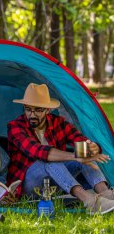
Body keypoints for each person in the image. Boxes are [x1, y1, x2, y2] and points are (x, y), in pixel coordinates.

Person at [7, 83, 112, 215]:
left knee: (84, 156)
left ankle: (106, 194)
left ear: (47, 110)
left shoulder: (58, 122)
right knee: (51, 161)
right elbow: (40, 152)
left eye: (38, 110)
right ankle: (89, 201)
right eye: (28, 109)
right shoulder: (15, 127)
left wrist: (92, 149)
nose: (32, 114)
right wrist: (77, 156)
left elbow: (79, 139)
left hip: (55, 182)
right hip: (27, 186)